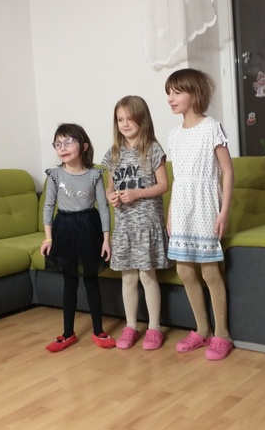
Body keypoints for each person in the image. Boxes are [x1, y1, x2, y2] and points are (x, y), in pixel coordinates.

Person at [165, 68, 234, 360]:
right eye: (168, 93)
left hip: (206, 205)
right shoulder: (174, 135)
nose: (171, 98)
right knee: (184, 270)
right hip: (181, 206)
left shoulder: (211, 127)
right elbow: (177, 178)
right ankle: (202, 329)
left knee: (209, 271)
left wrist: (224, 211)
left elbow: (227, 171)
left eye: (177, 92)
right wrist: (170, 212)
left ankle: (222, 334)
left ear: (195, 93)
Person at [102, 96, 171, 350]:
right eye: (120, 119)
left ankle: (154, 328)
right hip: (125, 227)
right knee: (128, 278)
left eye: (129, 119)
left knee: (147, 276)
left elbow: (163, 185)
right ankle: (131, 326)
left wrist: (137, 194)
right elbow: (110, 186)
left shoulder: (153, 149)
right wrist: (111, 196)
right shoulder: (113, 153)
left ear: (142, 119)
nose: (124, 124)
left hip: (147, 224)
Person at [41, 123, 116, 352]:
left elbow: (103, 208)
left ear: (83, 146)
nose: (62, 148)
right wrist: (48, 239)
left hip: (89, 227)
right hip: (64, 228)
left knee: (91, 280)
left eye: (68, 142)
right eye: (58, 144)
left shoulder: (95, 174)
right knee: (70, 281)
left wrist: (106, 239)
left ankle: (98, 330)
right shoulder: (55, 175)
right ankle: (67, 334)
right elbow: (48, 207)